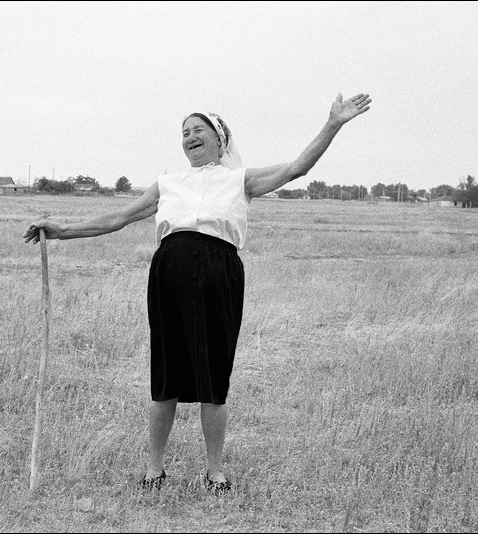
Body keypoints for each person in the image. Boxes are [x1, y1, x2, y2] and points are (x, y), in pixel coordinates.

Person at [23, 92, 372, 494]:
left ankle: (215, 471)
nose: (189, 137)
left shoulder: (240, 180)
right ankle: (154, 469)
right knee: (166, 373)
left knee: (214, 374)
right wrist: (64, 230)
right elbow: (119, 217)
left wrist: (332, 123)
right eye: (184, 132)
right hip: (168, 274)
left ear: (220, 138)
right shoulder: (167, 184)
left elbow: (298, 167)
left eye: (198, 129)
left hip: (219, 275)